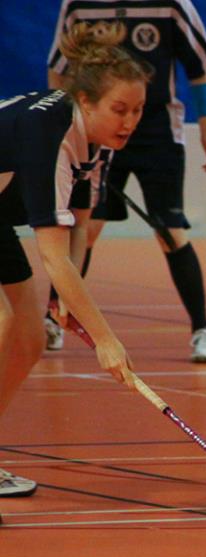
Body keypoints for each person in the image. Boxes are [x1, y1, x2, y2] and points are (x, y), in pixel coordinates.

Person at [0, 21, 148, 521]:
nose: (129, 121)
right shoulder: (51, 134)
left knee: (29, 337)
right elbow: (53, 256)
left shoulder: (98, 141)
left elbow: (79, 227)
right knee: (3, 322)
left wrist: (64, 299)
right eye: (120, 110)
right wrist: (106, 339)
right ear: (85, 101)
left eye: (138, 110)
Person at [46, 0, 206, 363]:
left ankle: (202, 331)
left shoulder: (172, 5)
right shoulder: (78, 5)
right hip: (99, 129)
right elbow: (58, 70)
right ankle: (54, 317)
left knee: (169, 231)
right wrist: (64, 128)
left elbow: (198, 69)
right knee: (86, 226)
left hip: (157, 134)